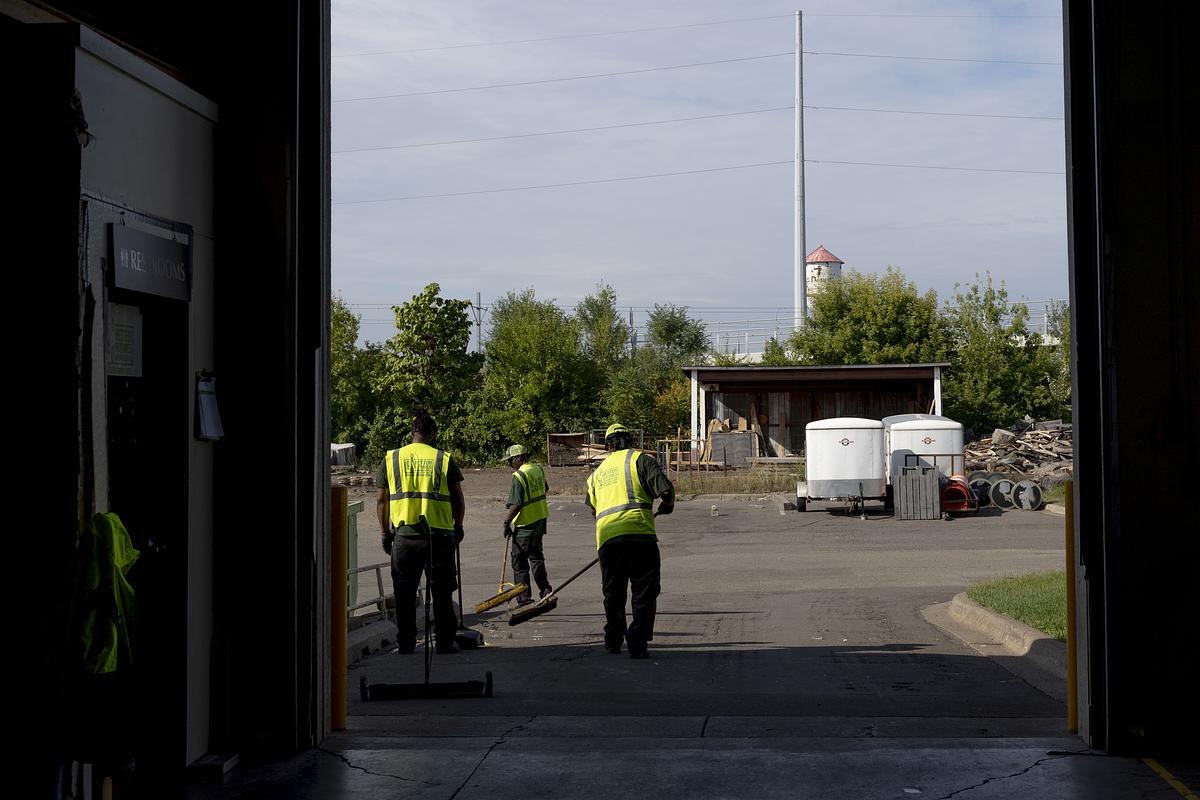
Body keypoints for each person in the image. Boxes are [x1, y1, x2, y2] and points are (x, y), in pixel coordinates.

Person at [375, 410, 466, 655]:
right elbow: (458, 500)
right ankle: (445, 643)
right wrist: (458, 528)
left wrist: (385, 533)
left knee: (404, 595)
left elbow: (382, 501)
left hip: (404, 538)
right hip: (439, 537)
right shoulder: (443, 458)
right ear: (432, 434)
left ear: (412, 433)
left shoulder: (392, 458)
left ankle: (405, 643)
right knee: (442, 593)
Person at [584, 423, 674, 659]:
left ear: (608, 445)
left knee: (613, 594)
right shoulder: (640, 460)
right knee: (644, 593)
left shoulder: (597, 474)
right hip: (640, 536)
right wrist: (668, 506)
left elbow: (594, 510)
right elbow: (665, 490)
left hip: (608, 540)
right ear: (629, 440)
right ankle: (637, 642)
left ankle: (613, 639)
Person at [501, 444, 552, 606]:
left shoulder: (519, 476)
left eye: (510, 460)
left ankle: (523, 598)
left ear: (519, 458)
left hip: (525, 525)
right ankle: (546, 590)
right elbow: (545, 488)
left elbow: (516, 504)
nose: (509, 464)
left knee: (519, 562)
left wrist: (506, 523)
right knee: (536, 558)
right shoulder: (537, 469)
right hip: (539, 522)